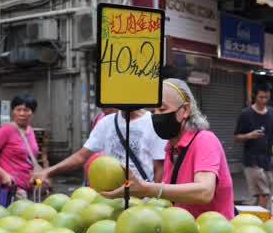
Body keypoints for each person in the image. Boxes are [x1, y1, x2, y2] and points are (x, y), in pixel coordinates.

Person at [100, 79, 235, 220]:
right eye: (153, 111)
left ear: (185, 110)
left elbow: (204, 192)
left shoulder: (204, 140)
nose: (157, 115)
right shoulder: (171, 148)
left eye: (162, 109)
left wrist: (148, 189)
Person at [37, 107, 166, 188]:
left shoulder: (153, 123)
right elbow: (81, 156)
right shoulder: (106, 122)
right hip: (110, 196)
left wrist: (151, 199)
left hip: (141, 197)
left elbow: (159, 168)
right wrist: (48, 171)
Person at [0, 95, 45, 205]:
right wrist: (4, 175)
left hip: (30, 187)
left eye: (26, 110)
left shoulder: (30, 131)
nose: (22, 113)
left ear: (32, 113)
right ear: (13, 111)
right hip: (13, 189)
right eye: (18, 109)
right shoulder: (6, 130)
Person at [234, 86, 273, 209]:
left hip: (267, 160)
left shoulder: (272, 112)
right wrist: (249, 135)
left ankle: (254, 216)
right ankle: (262, 221)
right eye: (261, 97)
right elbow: (236, 138)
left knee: (261, 194)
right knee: (264, 193)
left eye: (266, 97)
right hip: (251, 160)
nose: (264, 100)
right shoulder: (246, 114)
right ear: (255, 96)